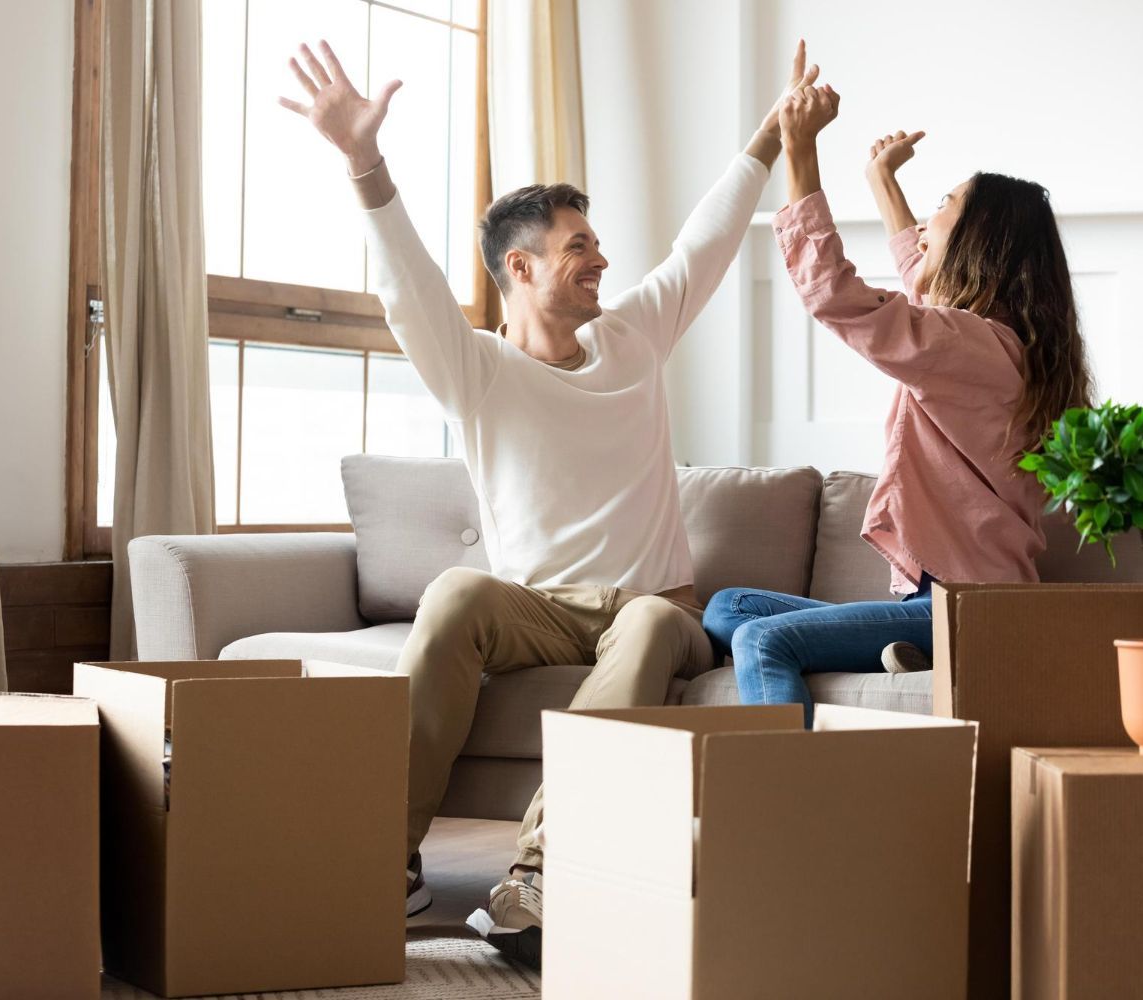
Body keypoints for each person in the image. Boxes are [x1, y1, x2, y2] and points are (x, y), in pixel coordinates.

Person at [280, 36, 812, 967]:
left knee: (648, 626)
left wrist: (769, 136)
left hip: (654, 606)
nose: (600, 261)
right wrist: (365, 163)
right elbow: (409, 295)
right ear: (519, 269)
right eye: (579, 248)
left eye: (598, 246)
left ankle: (540, 874)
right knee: (452, 593)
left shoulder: (634, 337)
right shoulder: (477, 371)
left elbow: (708, 243)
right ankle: (378, 855)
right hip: (538, 610)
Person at [703, 64, 1092, 717]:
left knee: (761, 640)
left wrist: (800, 152)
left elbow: (839, 297)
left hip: (969, 607)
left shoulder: (973, 346)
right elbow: (924, 284)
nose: (928, 220)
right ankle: (915, 649)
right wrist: (882, 181)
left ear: (978, 240)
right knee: (726, 607)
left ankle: (781, 809)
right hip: (940, 603)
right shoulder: (992, 343)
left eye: (944, 205)